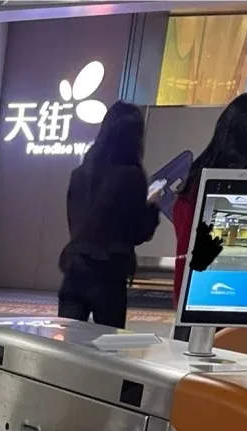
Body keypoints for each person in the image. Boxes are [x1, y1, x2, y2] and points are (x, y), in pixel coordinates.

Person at [171, 93, 247, 305]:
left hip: (193, 280)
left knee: (193, 337)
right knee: (238, 338)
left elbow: (182, 224)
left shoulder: (202, 168)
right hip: (243, 282)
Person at [57, 101, 160, 329]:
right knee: (109, 348)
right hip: (109, 275)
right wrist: (151, 207)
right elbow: (137, 233)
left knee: (66, 347)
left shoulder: (80, 174)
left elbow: (75, 222)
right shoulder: (131, 175)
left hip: (74, 271)